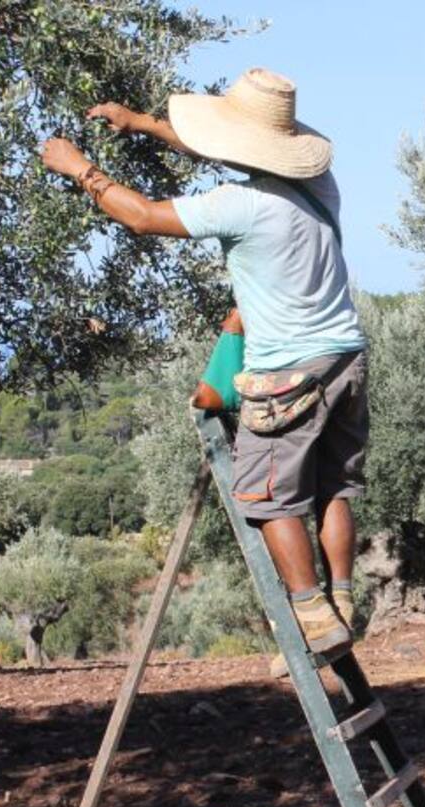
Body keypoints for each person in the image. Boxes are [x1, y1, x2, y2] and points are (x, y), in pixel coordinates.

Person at [40, 69, 365, 654]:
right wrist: (141, 124)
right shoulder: (321, 185)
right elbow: (218, 149)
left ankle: (314, 619)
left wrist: (79, 168)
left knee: (267, 499)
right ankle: (342, 597)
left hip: (285, 374)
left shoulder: (236, 205)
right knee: (335, 490)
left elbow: (140, 215)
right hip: (345, 360)